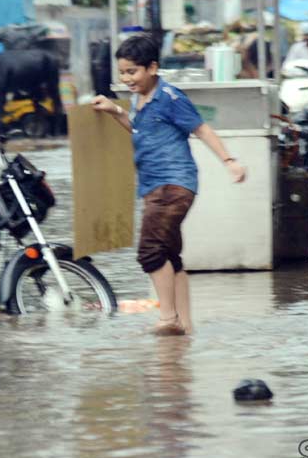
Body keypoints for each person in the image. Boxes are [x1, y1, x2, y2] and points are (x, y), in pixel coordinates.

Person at [91, 35, 246, 336]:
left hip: (172, 185)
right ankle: (184, 324)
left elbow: (201, 129)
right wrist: (115, 111)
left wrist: (229, 161)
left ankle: (168, 317)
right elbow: (139, 129)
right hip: (154, 187)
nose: (127, 79)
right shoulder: (140, 99)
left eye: (132, 71)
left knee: (150, 252)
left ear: (152, 68)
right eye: (122, 72)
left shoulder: (170, 97)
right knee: (170, 257)